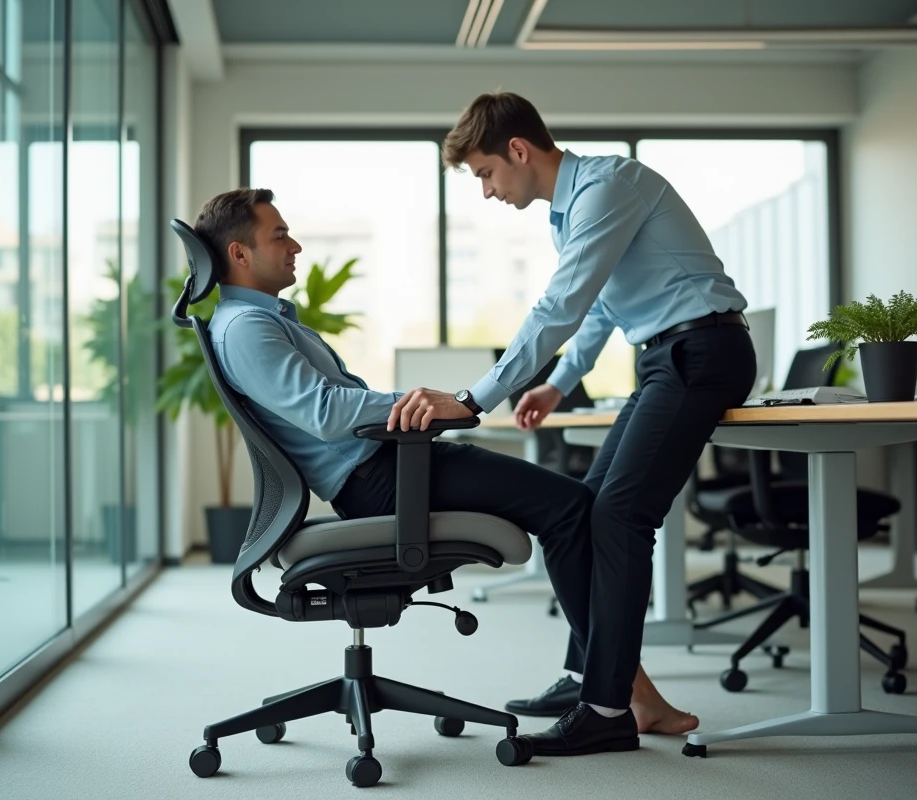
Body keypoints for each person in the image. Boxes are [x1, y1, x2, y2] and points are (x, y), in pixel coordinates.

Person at [198, 188, 691, 751]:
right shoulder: (246, 328)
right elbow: (323, 412)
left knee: (573, 508)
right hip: (380, 476)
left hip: (385, 465)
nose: (296, 245)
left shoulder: (256, 321)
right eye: (279, 235)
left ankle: (608, 684)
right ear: (239, 254)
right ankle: (622, 695)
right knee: (574, 509)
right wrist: (420, 404)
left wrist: (413, 406)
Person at [386, 92, 757, 757]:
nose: (487, 191)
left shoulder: (611, 185)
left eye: (485, 174)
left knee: (620, 516)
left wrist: (476, 398)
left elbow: (563, 300)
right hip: (666, 356)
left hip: (703, 352)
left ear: (518, 151)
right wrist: (557, 383)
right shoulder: (573, 210)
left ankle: (609, 708)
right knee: (587, 507)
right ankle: (592, 675)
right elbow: (600, 310)